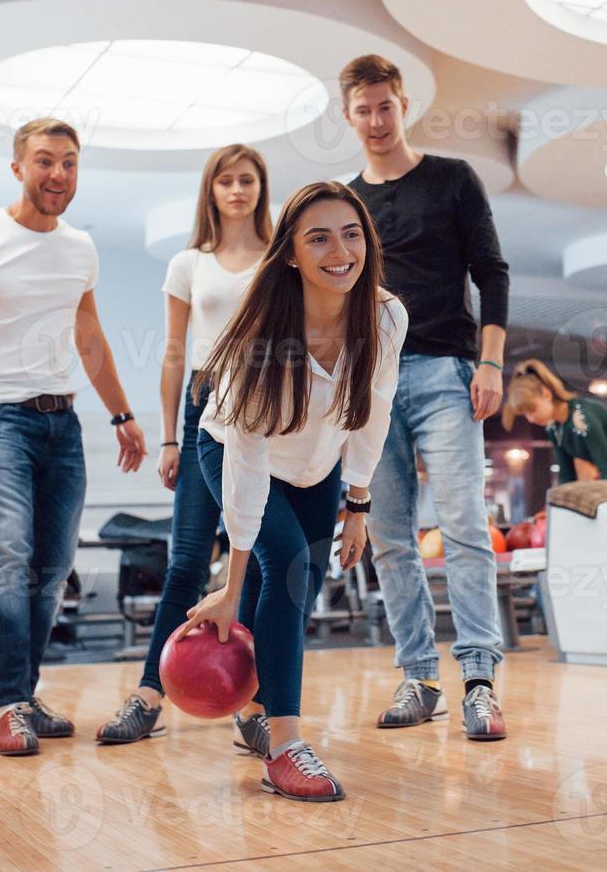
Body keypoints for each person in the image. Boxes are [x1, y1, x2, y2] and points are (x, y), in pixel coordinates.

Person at [0, 118, 147, 757]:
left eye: (70, 163)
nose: (58, 175)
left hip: (62, 422)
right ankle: (10, 707)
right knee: (10, 554)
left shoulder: (80, 248)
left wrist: (122, 415)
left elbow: (90, 336)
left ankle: (26, 694)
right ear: (17, 168)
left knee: (51, 569)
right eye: (45, 161)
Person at [183, 180, 406, 803]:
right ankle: (284, 747)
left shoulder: (386, 315)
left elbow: (375, 412)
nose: (340, 251)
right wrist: (230, 584)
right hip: (233, 450)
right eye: (319, 238)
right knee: (281, 566)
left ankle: (255, 713)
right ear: (290, 253)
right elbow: (247, 465)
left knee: (296, 584)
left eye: (351, 233)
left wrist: (357, 504)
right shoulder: (261, 338)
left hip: (316, 466)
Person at [343, 54, 510, 741]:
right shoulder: (346, 204)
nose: (377, 121)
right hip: (370, 387)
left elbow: (491, 272)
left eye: (386, 106)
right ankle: (418, 677)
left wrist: (492, 363)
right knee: (390, 540)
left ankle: (479, 681)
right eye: (364, 110)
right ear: (348, 116)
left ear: (402, 105)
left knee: (465, 526)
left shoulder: (451, 180)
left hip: (446, 373)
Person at [93, 145, 273, 753]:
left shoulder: (281, 257)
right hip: (204, 407)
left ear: (260, 188)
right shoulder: (188, 263)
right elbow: (174, 352)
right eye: (227, 180)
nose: (238, 189)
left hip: (269, 411)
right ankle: (149, 693)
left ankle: (258, 705)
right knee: (188, 558)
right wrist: (170, 435)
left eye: (248, 179)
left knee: (267, 560)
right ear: (212, 191)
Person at [503, 360, 607, 491]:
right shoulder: (554, 428)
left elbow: (606, 466)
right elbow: (567, 475)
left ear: (546, 394)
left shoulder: (581, 417)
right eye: (525, 414)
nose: (530, 419)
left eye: (532, 410)